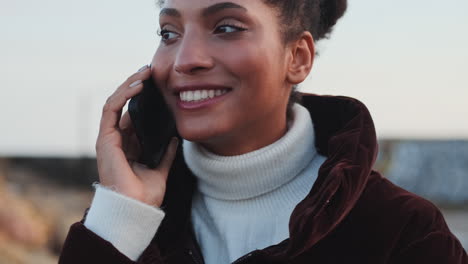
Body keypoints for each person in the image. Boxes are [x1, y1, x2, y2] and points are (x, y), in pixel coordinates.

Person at [59, 0, 468, 263]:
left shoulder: (401, 231)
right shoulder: (130, 218)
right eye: (169, 33)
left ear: (298, 57)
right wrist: (118, 219)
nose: (185, 59)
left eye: (227, 27)